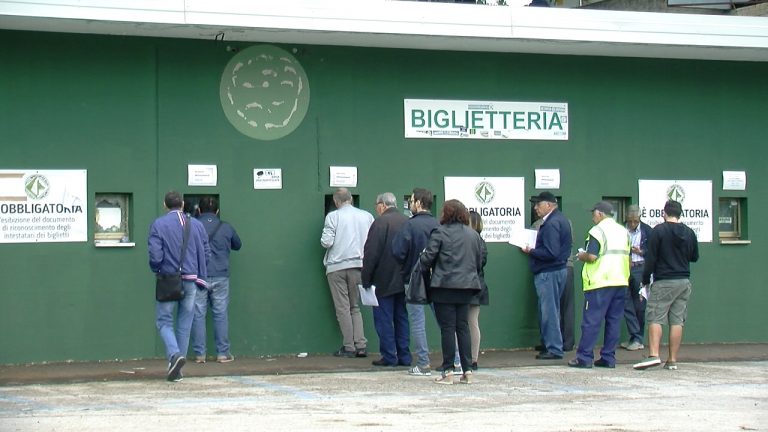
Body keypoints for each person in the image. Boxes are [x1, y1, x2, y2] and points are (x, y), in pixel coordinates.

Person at [420, 199, 484, 385]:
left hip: (444, 286)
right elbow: (479, 261)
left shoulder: (440, 233)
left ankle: (448, 370)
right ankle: (468, 370)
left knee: (448, 328)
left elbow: (427, 260)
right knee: (462, 327)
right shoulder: (473, 235)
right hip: (467, 287)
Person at [148, 190, 209, 382]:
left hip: (168, 278)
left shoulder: (159, 224)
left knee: (164, 321)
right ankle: (177, 369)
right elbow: (206, 252)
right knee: (185, 323)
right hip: (191, 279)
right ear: (182, 204)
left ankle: (174, 355)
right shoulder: (197, 225)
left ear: (165, 205)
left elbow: (155, 255)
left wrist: (158, 269)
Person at [634, 200, 699, 371]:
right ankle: (672, 360)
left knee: (655, 316)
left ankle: (654, 355)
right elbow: (694, 257)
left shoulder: (659, 231)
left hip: (664, 280)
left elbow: (651, 258)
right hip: (684, 280)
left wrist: (645, 279)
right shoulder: (690, 232)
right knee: (677, 320)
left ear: (664, 212)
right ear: (680, 213)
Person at [569, 201, 630, 369]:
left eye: (593, 213)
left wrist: (581, 255)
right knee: (614, 321)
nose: (592, 216)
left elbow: (592, 256)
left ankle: (584, 357)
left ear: (600, 214)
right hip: (620, 280)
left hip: (600, 282)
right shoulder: (623, 231)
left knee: (591, 321)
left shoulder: (597, 231)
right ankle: (608, 358)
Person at [321, 188, 374, 358]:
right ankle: (361, 345)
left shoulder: (333, 216)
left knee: (342, 308)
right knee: (355, 307)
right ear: (351, 199)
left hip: (336, 267)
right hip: (358, 265)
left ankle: (349, 346)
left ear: (337, 202)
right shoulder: (366, 216)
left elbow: (326, 242)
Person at [392, 188, 440, 377]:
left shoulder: (409, 226)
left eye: (411, 201)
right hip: (437, 278)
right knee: (445, 322)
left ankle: (423, 363)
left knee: (418, 323)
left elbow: (397, 251)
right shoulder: (438, 225)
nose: (410, 204)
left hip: (413, 278)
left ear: (419, 203)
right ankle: (456, 361)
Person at [191, 196, 242, 364]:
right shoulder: (226, 227)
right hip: (221, 275)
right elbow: (238, 245)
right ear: (218, 211)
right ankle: (222, 353)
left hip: (199, 276)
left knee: (198, 315)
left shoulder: (192, 226)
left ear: (199, 210)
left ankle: (200, 355)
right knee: (220, 314)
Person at [362, 193, 411, 367]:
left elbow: (371, 253)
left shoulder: (380, 223)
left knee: (384, 319)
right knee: (401, 317)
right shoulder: (407, 221)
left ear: (382, 205)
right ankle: (405, 355)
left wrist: (366, 279)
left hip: (383, 279)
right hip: (404, 279)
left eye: (377, 205)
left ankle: (389, 356)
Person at [522, 191, 572, 360]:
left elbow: (551, 252)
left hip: (549, 271)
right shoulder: (561, 219)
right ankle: (549, 343)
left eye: (538, 204)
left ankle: (554, 348)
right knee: (550, 309)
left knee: (549, 311)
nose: (535, 208)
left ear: (549, 205)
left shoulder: (551, 223)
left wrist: (531, 251)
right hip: (556, 270)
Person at [532, 216, 576, 353]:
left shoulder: (539, 225)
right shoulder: (567, 221)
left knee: (549, 309)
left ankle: (550, 343)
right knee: (565, 306)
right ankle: (566, 343)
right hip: (567, 266)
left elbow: (536, 246)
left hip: (551, 268)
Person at [621, 204, 652, 351]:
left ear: (639, 218)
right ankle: (635, 335)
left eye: (635, 221)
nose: (632, 224)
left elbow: (652, 251)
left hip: (640, 268)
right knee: (625, 302)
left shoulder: (647, 231)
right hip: (624, 268)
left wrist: (641, 251)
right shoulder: (621, 229)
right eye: (630, 221)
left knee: (640, 305)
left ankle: (637, 338)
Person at [468, 210, 489, 371]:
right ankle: (473, 359)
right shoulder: (481, 241)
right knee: (473, 322)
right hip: (478, 285)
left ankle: (468, 357)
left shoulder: (470, 241)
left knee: (466, 323)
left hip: (468, 286)